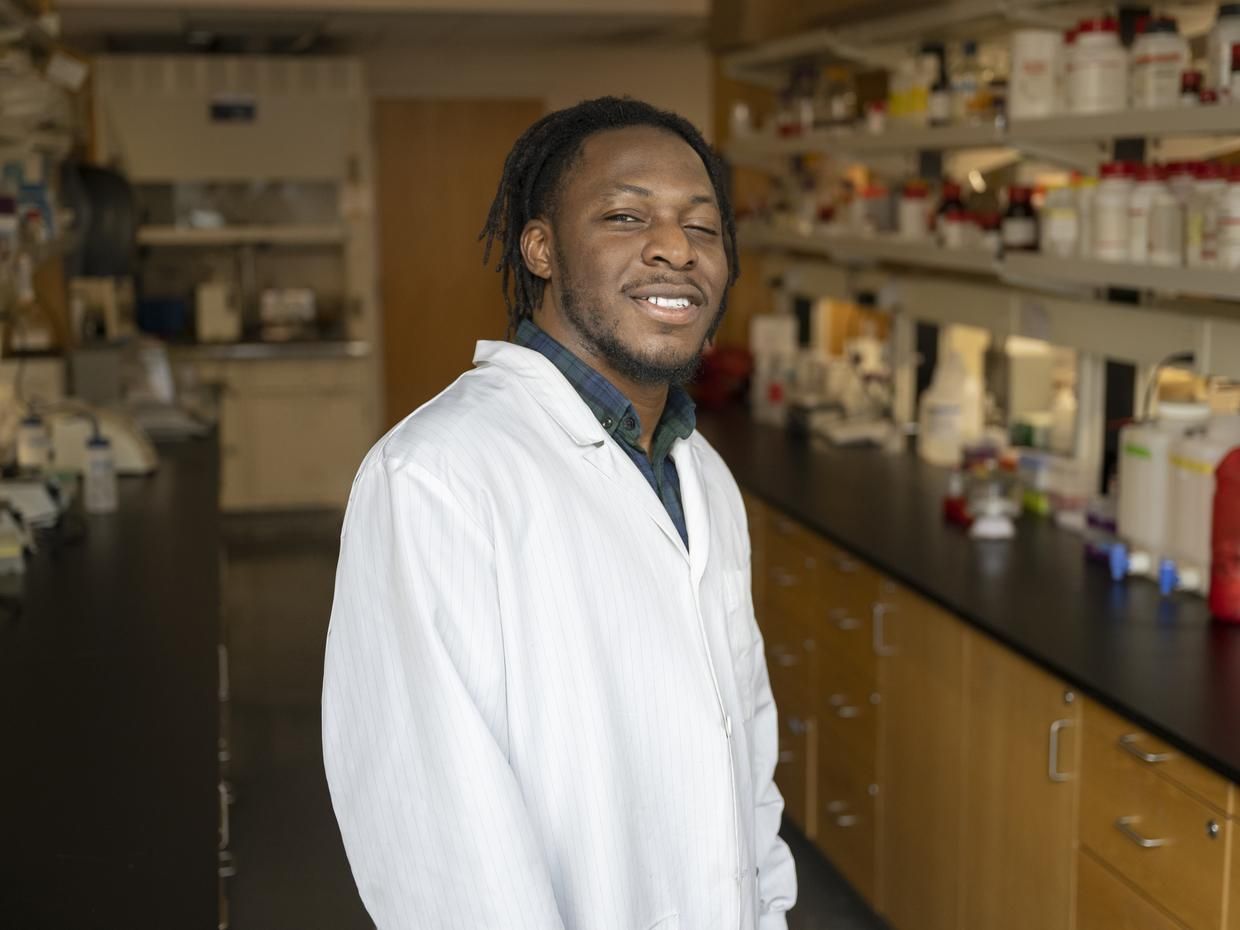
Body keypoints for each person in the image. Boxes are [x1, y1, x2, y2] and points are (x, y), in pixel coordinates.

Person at [322, 95, 796, 930]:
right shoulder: (437, 474)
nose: (675, 248)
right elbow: (435, 836)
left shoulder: (700, 472)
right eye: (625, 215)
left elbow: (742, 744)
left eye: (704, 226)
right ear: (540, 249)